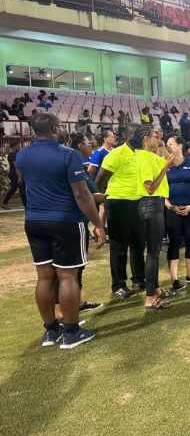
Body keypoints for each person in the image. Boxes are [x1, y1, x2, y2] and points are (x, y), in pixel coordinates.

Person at [17, 113, 104, 349]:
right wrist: (98, 224)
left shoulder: (22, 156)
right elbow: (81, 194)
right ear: (56, 128)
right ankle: (72, 332)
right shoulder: (68, 154)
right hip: (65, 220)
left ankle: (51, 331)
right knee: (67, 276)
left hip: (34, 221)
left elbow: (24, 186)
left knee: (44, 277)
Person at [53, 133, 105, 319]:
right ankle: (62, 313)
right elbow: (79, 194)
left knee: (77, 266)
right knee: (66, 268)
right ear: (78, 146)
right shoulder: (71, 161)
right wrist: (95, 200)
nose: (91, 145)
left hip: (79, 220)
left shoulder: (79, 166)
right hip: (71, 220)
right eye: (88, 143)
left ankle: (79, 302)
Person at [96, 123, 147, 299]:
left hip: (138, 202)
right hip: (118, 203)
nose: (141, 137)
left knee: (139, 243)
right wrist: (103, 201)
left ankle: (139, 278)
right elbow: (100, 179)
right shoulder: (117, 154)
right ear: (127, 136)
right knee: (119, 246)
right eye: (138, 134)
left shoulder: (142, 154)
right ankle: (118, 285)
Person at [132, 126, 175, 309]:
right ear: (145, 139)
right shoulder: (143, 158)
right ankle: (150, 297)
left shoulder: (151, 156)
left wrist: (163, 146)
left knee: (154, 252)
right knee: (153, 253)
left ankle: (155, 290)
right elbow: (150, 187)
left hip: (155, 204)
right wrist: (164, 169)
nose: (157, 138)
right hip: (150, 204)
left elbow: (172, 160)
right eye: (154, 136)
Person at [164, 134, 190, 291]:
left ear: (180, 145)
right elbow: (161, 192)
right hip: (172, 210)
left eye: (171, 144)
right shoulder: (164, 166)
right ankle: (174, 280)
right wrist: (170, 207)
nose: (168, 147)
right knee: (173, 243)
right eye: (167, 144)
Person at [2, 143, 26, 209]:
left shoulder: (11, 155)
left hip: (12, 174)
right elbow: (16, 167)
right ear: (14, 147)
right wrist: (20, 177)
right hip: (16, 175)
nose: (19, 147)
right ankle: (26, 205)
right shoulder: (14, 155)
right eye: (18, 146)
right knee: (22, 189)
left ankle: (4, 203)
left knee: (13, 189)